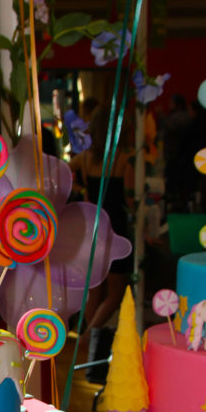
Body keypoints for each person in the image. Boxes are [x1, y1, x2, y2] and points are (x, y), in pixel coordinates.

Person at [70, 105, 134, 354]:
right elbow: (129, 199)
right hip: (116, 227)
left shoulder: (85, 159)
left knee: (94, 286)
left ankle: (87, 335)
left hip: (93, 227)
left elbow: (64, 170)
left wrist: (81, 191)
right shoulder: (124, 159)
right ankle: (89, 335)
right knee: (116, 291)